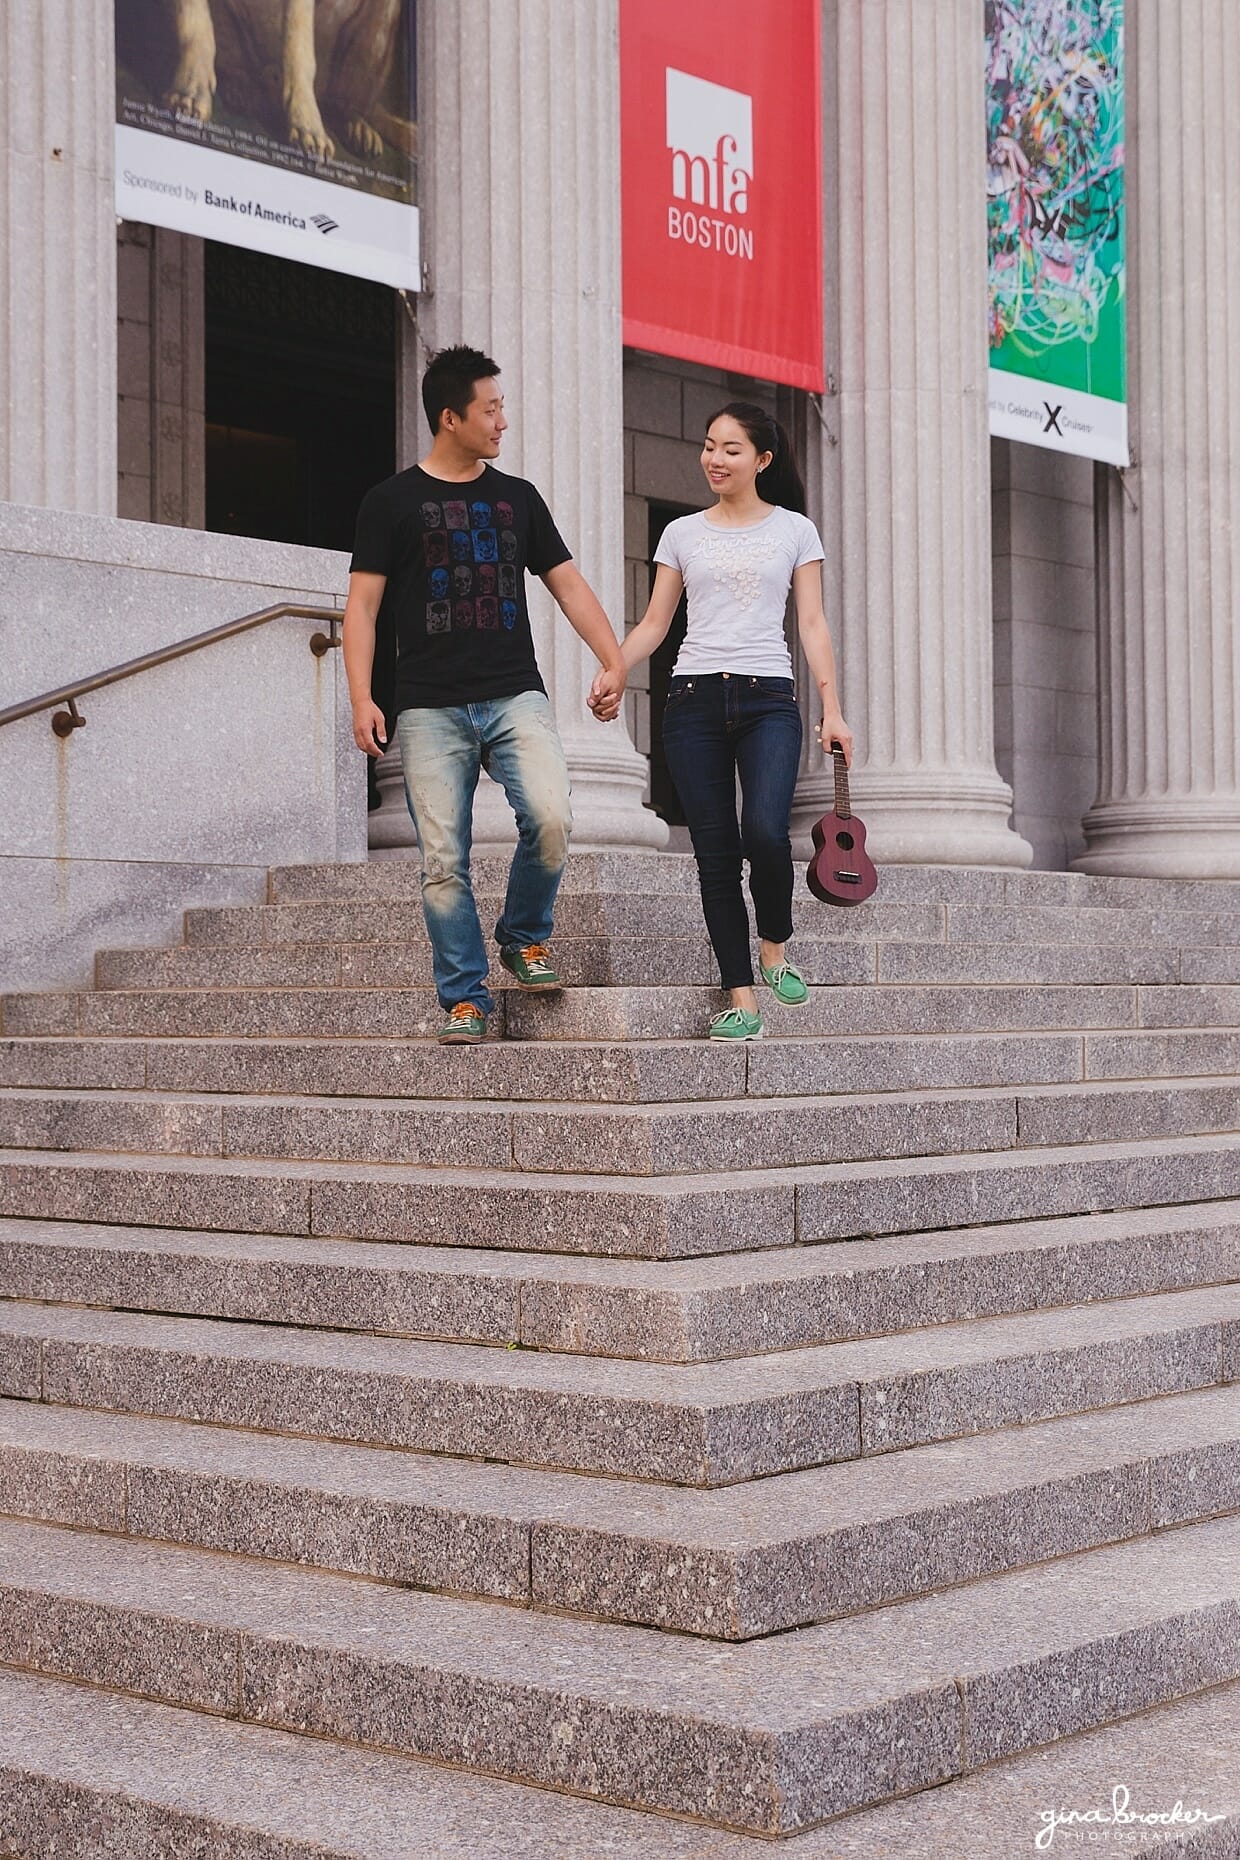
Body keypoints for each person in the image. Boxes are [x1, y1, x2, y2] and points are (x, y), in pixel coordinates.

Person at [343, 345, 626, 1044]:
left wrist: (613, 659)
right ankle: (465, 997)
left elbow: (567, 584)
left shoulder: (517, 499)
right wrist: (361, 697)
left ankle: (524, 936)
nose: (503, 420)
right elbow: (362, 608)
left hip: (512, 695)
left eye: (502, 405)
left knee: (552, 817)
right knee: (443, 864)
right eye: (490, 408)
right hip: (428, 707)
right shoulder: (390, 502)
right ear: (450, 418)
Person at [592, 402, 852, 1041]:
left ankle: (775, 944)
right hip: (693, 701)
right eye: (709, 446)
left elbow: (811, 624)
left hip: (770, 698)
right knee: (714, 854)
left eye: (731, 449)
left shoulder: (795, 530)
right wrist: (614, 669)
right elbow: (656, 623)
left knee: (765, 831)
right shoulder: (682, 532)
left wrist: (833, 709)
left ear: (762, 460)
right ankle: (743, 997)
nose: (714, 458)